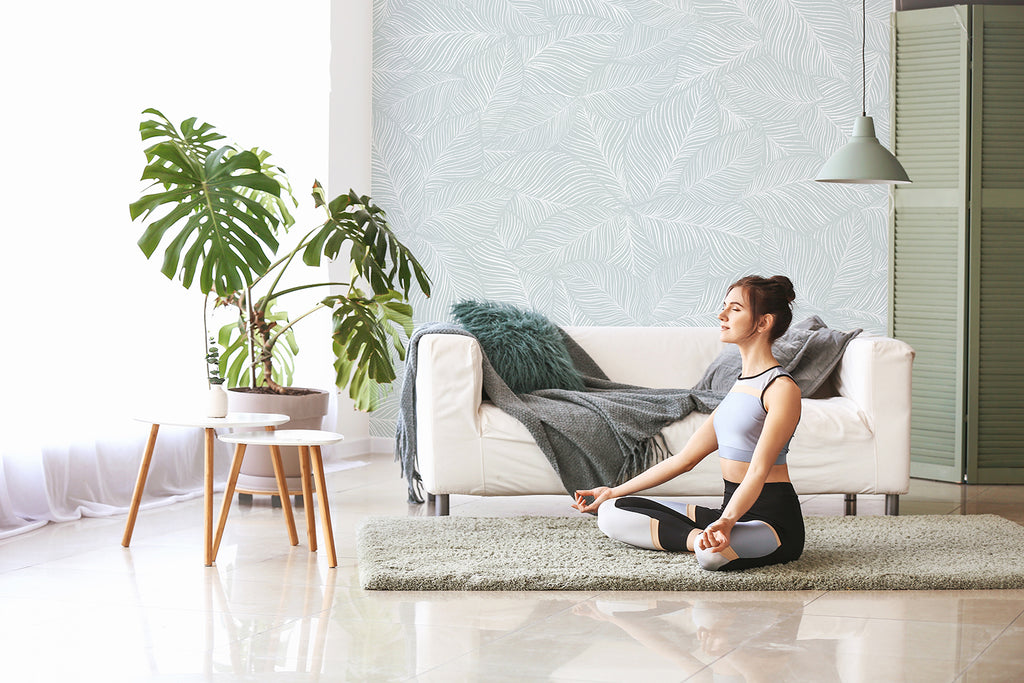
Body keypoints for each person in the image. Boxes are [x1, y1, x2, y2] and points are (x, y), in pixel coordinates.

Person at [573, 275, 804, 571]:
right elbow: (683, 460)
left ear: (763, 323)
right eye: (724, 307)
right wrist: (614, 491)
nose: (721, 315)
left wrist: (727, 520)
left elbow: (758, 471)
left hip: (771, 522)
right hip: (729, 512)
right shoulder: (740, 387)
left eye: (734, 309)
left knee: (710, 557)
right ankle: (702, 539)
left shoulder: (781, 388)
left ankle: (707, 543)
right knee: (611, 511)